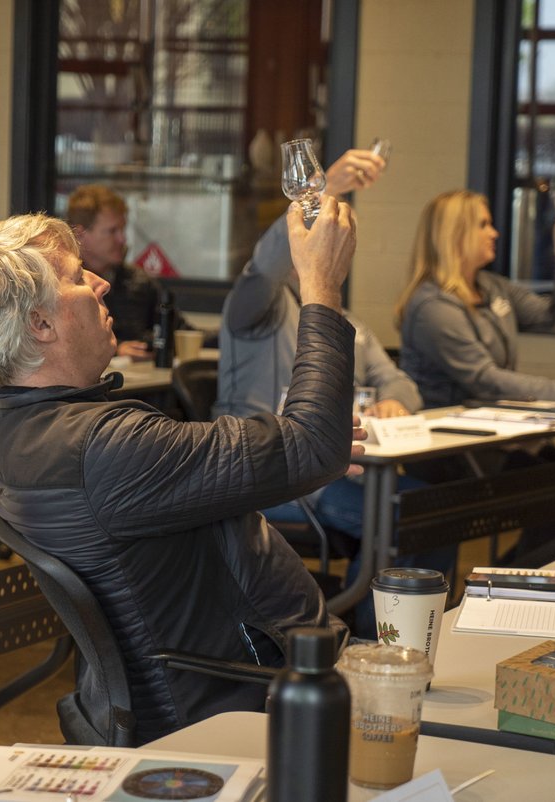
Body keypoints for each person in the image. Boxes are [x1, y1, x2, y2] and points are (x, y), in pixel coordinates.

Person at [0, 197, 360, 744]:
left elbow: (298, 446)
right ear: (40, 324)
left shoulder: (20, 433)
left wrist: (289, 442)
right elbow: (314, 448)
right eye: (76, 277)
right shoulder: (104, 447)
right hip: (249, 703)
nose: (102, 282)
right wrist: (321, 287)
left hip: (214, 689)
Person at [213, 147, 439, 615]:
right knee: (402, 520)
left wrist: (394, 402)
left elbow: (402, 384)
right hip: (265, 480)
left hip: (331, 472)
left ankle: (408, 641)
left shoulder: (344, 322)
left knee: (435, 510)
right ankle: (362, 641)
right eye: (313, 241)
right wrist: (322, 192)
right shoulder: (258, 312)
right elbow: (265, 266)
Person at [395, 190, 555, 409]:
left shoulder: (492, 286)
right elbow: (485, 379)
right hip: (447, 436)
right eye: (483, 225)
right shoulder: (433, 306)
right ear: (454, 235)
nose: (494, 233)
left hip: (493, 426)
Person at [66, 184, 188, 360]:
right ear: (80, 234)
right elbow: (58, 348)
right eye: (112, 231)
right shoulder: (61, 285)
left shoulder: (139, 281)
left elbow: (181, 333)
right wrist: (115, 351)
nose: (122, 239)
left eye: (123, 229)